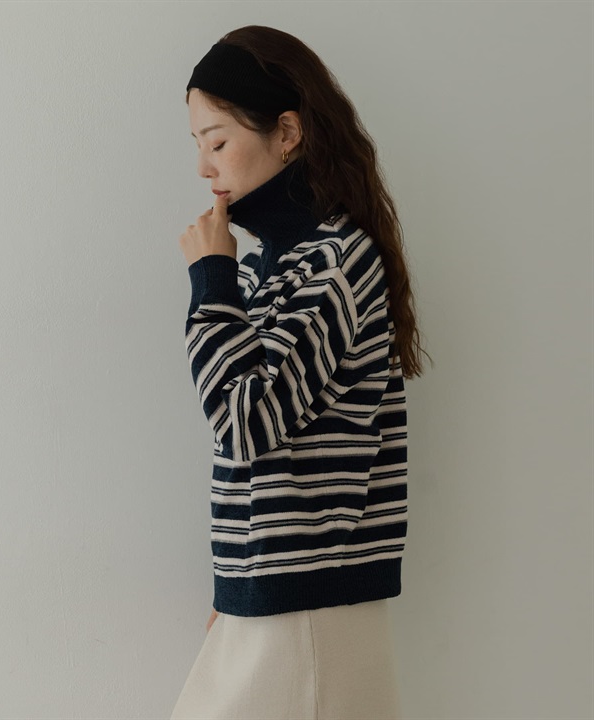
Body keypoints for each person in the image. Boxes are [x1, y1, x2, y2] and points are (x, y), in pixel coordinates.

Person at [171, 24, 431, 720]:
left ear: (287, 132)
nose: (203, 167)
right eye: (197, 144)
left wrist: (210, 277)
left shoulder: (335, 261)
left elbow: (245, 423)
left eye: (216, 141)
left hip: (308, 613)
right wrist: (236, 589)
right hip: (277, 603)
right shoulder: (270, 264)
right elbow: (249, 437)